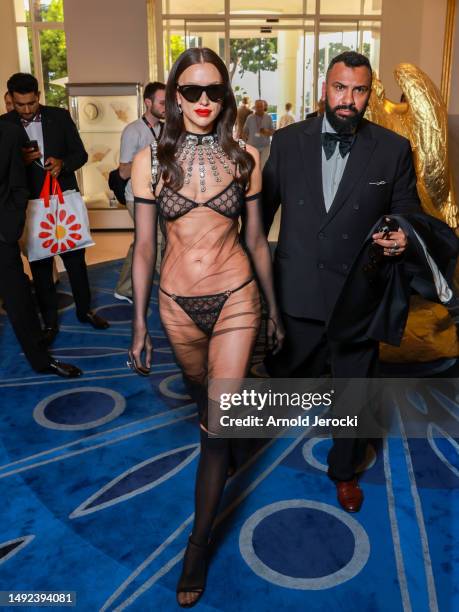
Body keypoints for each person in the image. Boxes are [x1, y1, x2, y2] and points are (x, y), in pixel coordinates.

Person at [129, 47, 284, 607]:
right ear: (173, 95)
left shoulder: (246, 159)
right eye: (190, 91)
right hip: (176, 305)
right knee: (206, 402)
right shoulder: (150, 162)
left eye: (212, 91)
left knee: (216, 426)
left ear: (225, 98)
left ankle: (197, 546)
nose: (201, 102)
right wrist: (138, 324)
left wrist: (274, 310)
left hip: (237, 299)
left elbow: (256, 242)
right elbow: (144, 247)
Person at [262, 51, 422, 513]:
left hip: (358, 293)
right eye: (340, 88)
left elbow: (407, 212)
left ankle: (345, 471)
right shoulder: (288, 140)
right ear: (324, 89)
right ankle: (240, 449)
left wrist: (401, 237)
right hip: (297, 289)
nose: (348, 99)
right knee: (280, 379)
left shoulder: (392, 149)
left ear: (370, 94)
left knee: (353, 388)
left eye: (358, 90)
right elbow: (264, 211)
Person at [1, 73, 109, 344]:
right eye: (19, 105)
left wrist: (63, 163)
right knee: (40, 266)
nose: (26, 110)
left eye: (30, 103)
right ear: (10, 100)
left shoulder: (59, 116)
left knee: (75, 261)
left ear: (38, 96)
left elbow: (81, 154)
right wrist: (19, 161)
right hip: (30, 206)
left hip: (63, 201)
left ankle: (85, 311)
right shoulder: (4, 125)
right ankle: (49, 322)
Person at [0, 120, 82, 377]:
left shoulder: (8, 132)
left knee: (19, 297)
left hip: (2, 235)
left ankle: (41, 360)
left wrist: (11, 224)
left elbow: (17, 180)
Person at [114, 81, 166, 304]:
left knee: (144, 241)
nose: (167, 106)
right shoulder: (133, 131)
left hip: (158, 195)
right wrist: (146, 162)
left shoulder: (163, 128)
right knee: (155, 239)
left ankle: (125, 288)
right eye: (163, 103)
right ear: (148, 102)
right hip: (136, 197)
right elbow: (123, 171)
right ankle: (171, 288)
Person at [242, 99, 274, 169]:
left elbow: (273, 132)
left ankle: (262, 179)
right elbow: (244, 131)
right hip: (252, 147)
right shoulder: (250, 118)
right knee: (253, 167)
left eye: (261, 106)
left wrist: (266, 132)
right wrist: (245, 143)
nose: (259, 108)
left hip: (265, 147)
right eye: (258, 107)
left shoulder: (268, 117)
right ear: (255, 107)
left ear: (264, 107)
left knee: (263, 167)